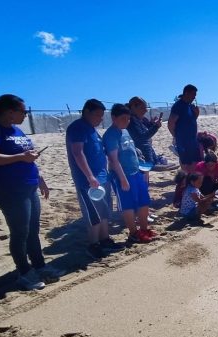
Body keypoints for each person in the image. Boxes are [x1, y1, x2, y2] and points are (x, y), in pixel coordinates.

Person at [0, 94, 64, 289]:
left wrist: (40, 179)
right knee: (20, 231)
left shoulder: (17, 130)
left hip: (29, 185)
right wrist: (20, 157)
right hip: (8, 189)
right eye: (23, 111)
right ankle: (24, 272)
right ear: (10, 112)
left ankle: (39, 266)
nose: (25, 115)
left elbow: (30, 158)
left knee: (33, 230)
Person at [66, 99, 124, 259]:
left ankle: (104, 239)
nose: (100, 119)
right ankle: (93, 244)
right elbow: (77, 153)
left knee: (105, 211)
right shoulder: (77, 128)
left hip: (102, 177)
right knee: (94, 214)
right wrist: (90, 176)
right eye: (97, 115)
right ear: (86, 112)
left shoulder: (92, 130)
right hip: (88, 181)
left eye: (101, 116)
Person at [104, 104, 157, 244]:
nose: (126, 121)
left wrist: (143, 170)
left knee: (143, 201)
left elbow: (135, 153)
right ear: (113, 117)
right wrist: (122, 179)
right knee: (127, 205)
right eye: (123, 118)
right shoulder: (111, 135)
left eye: (128, 119)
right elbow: (114, 160)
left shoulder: (126, 131)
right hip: (122, 175)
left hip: (136, 172)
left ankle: (144, 229)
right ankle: (133, 233)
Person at [127, 96, 176, 171]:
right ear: (133, 107)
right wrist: (156, 126)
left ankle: (155, 162)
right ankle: (151, 164)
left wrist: (152, 124)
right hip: (140, 152)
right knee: (145, 145)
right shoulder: (131, 120)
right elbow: (142, 137)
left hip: (146, 149)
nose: (146, 110)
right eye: (143, 108)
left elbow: (145, 128)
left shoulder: (138, 118)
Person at [167, 84, 200, 173]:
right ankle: (186, 181)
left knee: (194, 162)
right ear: (186, 93)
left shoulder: (189, 106)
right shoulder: (179, 106)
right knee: (186, 163)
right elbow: (171, 123)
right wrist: (177, 136)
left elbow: (190, 120)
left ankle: (191, 180)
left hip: (192, 139)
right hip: (183, 140)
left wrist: (196, 113)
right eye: (193, 94)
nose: (194, 97)